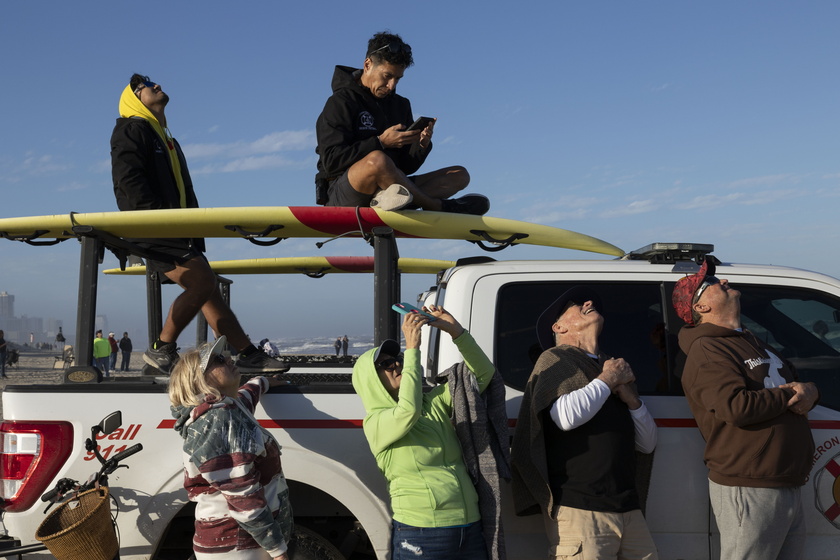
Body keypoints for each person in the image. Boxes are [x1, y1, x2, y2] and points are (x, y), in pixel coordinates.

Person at [110, 73, 288, 375]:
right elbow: (128, 182)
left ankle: (246, 353)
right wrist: (154, 221)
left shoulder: (165, 137)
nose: (156, 85)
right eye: (146, 86)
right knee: (203, 282)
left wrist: (190, 225)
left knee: (208, 290)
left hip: (178, 228)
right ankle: (162, 348)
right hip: (154, 226)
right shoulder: (130, 129)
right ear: (133, 99)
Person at [672, 258, 819, 560]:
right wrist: (787, 395)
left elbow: (795, 381)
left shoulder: (751, 341)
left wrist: (811, 391)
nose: (722, 282)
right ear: (700, 308)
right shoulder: (707, 350)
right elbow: (734, 407)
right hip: (750, 484)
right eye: (711, 284)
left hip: (784, 481)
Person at [511, 286, 659, 560]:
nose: (589, 302)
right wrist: (607, 381)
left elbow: (648, 443)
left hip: (628, 508)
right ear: (559, 326)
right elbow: (565, 418)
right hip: (581, 509)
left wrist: (631, 399)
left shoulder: (611, 367)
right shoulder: (555, 359)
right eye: (576, 304)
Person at [352, 306, 509, 560]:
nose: (397, 364)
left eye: (399, 359)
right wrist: (413, 349)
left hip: (468, 526)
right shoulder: (377, 421)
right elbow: (407, 412)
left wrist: (456, 332)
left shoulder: (431, 404)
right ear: (370, 379)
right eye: (386, 363)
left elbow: (483, 375)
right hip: (422, 532)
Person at [315, 31, 489, 215]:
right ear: (368, 65)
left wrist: (420, 145)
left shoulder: (400, 104)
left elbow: (405, 167)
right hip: (344, 194)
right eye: (387, 76)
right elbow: (332, 162)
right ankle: (437, 206)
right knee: (377, 160)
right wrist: (381, 142)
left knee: (459, 175)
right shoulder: (340, 102)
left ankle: (387, 200)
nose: (392, 85)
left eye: (397, 78)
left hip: (391, 188)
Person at [169, 336, 293, 559]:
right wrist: (278, 550)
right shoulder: (218, 420)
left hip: (242, 541)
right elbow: (241, 495)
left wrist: (262, 382)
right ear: (200, 380)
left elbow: (245, 399)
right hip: (238, 546)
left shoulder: (226, 409)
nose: (228, 358)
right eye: (218, 359)